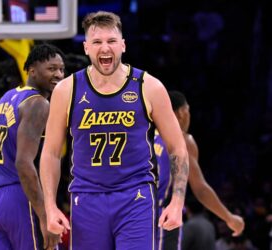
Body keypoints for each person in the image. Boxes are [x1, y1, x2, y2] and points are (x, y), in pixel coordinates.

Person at [40, 11, 189, 250]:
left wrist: (177, 200)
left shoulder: (149, 87)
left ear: (123, 45)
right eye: (97, 42)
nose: (105, 48)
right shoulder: (66, 90)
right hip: (86, 197)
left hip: (136, 197)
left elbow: (178, 146)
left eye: (111, 41)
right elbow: (51, 153)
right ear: (86, 47)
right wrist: (50, 206)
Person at [0, 43, 65, 250]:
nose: (59, 75)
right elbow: (23, 163)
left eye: (61, 69)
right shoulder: (38, 103)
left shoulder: (7, 98)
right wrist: (45, 217)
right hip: (17, 198)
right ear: (32, 70)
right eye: (51, 69)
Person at [154, 90, 245, 249]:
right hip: (163, 216)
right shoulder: (182, 139)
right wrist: (229, 218)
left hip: (131, 215)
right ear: (182, 113)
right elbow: (200, 189)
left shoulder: (143, 135)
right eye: (188, 111)